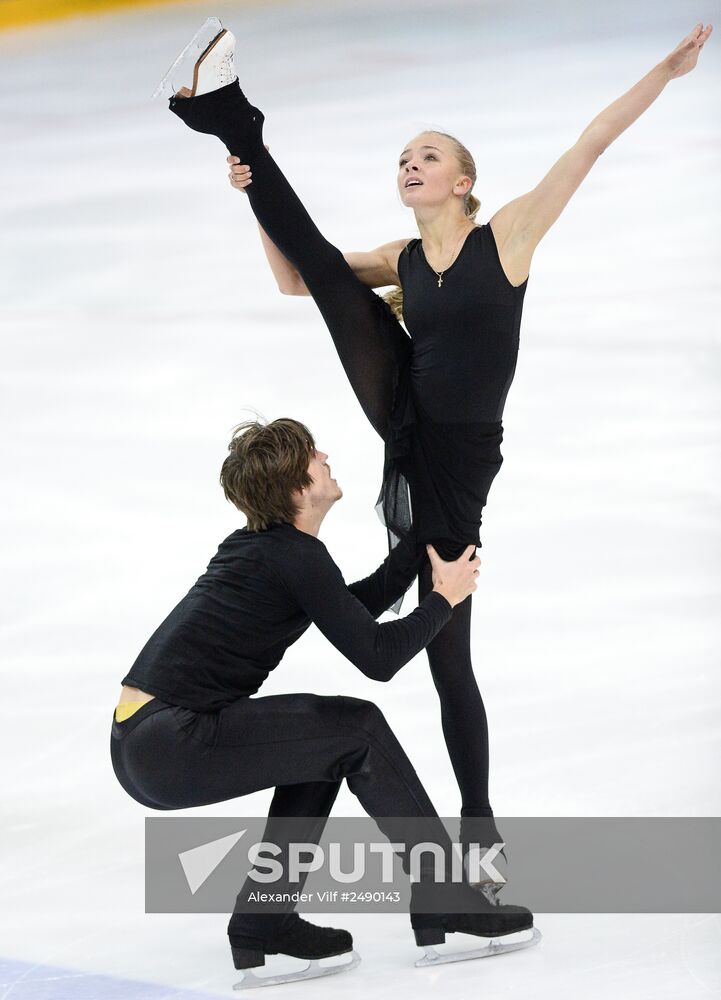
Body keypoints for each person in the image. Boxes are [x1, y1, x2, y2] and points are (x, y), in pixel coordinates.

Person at [162, 15, 713, 889]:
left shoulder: (511, 236)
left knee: (451, 660)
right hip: (404, 415)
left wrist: (665, 72)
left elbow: (592, 142)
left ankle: (478, 820)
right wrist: (252, 203)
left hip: (453, 463)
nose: (408, 166)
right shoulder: (403, 258)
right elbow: (296, 278)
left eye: (427, 156)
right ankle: (235, 123)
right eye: (401, 160)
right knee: (335, 283)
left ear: (463, 182)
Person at [111, 416, 537, 985]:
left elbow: (347, 611)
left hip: (146, 742)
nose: (326, 457)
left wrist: (416, 549)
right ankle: (443, 895)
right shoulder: (292, 557)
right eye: (314, 456)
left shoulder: (270, 550)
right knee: (356, 727)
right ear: (296, 488)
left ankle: (264, 920)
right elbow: (379, 658)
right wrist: (444, 600)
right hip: (174, 739)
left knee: (324, 745)